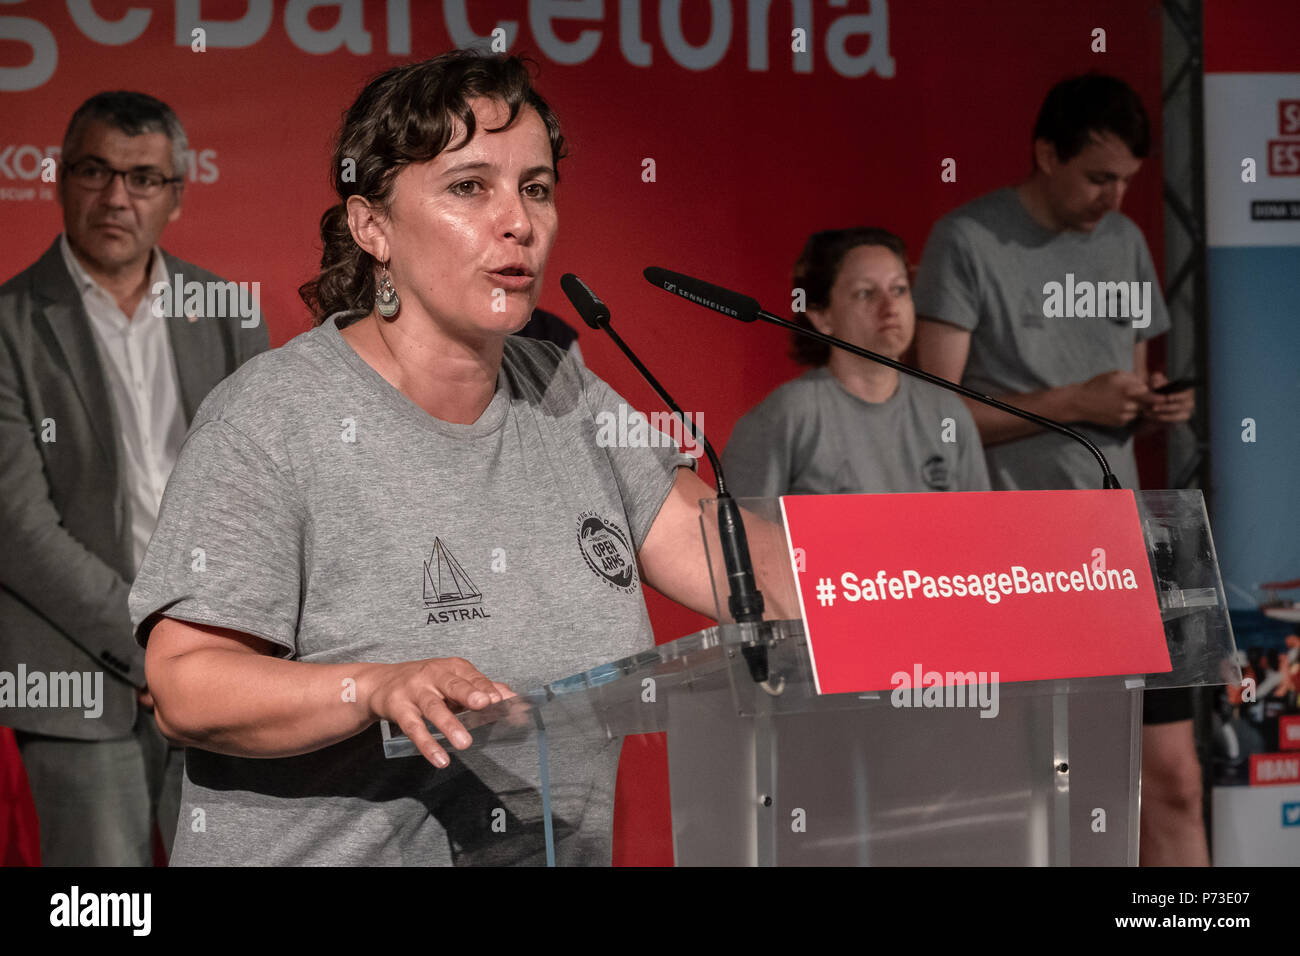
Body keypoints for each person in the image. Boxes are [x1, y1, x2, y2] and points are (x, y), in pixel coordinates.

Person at [127, 51, 778, 866]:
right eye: (470, 187)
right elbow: (186, 685)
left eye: (535, 187)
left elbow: (747, 571)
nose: (518, 222)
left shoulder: (566, 397)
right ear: (373, 227)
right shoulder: (271, 420)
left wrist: (933, 583)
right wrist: (372, 687)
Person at [911, 73, 1205, 866]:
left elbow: (1125, 385)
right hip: (1020, 551)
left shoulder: (1126, 245)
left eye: (1128, 182)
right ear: (1046, 153)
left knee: (1173, 778)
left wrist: (1147, 407)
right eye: (1097, 177)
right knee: (1055, 790)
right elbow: (934, 417)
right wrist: (1075, 399)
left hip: (1128, 544)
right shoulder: (969, 239)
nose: (1113, 197)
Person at [0, 91, 268, 865]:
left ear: (175, 197)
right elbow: (17, 530)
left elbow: (266, 499)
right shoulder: (9, 325)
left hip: (224, 670)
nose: (118, 196)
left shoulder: (227, 313)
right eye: (96, 171)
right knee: (102, 913)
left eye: (144, 178)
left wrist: (216, 642)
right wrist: (152, 644)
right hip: (76, 682)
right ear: (59, 179)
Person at [724, 227, 989, 497]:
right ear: (821, 317)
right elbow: (744, 530)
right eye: (865, 293)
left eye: (899, 289)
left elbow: (982, 527)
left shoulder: (947, 412)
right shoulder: (788, 415)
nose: (890, 308)